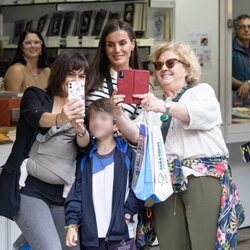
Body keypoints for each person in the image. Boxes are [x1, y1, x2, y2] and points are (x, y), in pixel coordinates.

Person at [111, 42, 245, 250]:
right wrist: (117, 113)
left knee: (205, 245)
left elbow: (200, 115)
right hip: (166, 182)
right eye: (158, 65)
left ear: (187, 67)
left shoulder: (200, 91)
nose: (163, 68)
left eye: (171, 62)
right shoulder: (153, 105)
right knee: (171, 245)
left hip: (202, 177)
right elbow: (137, 135)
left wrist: (163, 105)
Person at [0, 50, 90, 250]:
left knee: (71, 248)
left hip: (64, 194)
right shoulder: (37, 95)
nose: (76, 80)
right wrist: (61, 117)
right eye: (71, 74)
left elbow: (85, 146)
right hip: (29, 190)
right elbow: (36, 117)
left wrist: (80, 128)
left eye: (82, 76)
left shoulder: (86, 108)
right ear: (59, 73)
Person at [65, 98, 144, 250]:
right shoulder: (86, 158)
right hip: (92, 237)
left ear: (115, 125)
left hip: (121, 234)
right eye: (93, 118)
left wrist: (127, 214)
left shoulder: (127, 154)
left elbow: (139, 186)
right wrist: (72, 224)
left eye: (103, 118)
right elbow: (76, 194)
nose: (96, 122)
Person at [86, 19, 143, 118]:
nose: (117, 50)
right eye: (110, 45)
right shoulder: (89, 76)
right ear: (104, 47)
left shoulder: (140, 83)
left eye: (122, 43)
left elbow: (140, 126)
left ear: (132, 44)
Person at [232, 14, 250, 101]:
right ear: (236, 29)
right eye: (243, 27)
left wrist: (248, 83)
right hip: (234, 96)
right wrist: (242, 84)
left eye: (249, 26)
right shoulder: (228, 48)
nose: (247, 30)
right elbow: (224, 75)